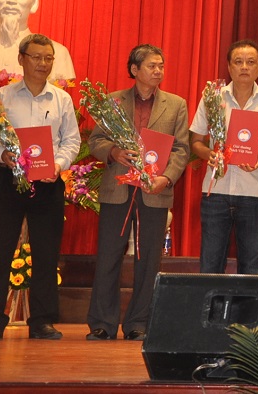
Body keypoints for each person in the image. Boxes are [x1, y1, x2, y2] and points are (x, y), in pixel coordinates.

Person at [0, 34, 81, 340]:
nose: (42, 63)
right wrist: (2, 154)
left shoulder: (61, 99)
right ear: (21, 59)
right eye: (36, 57)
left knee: (46, 254)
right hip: (7, 180)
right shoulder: (1, 96)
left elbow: (71, 141)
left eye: (48, 58)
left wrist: (58, 165)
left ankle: (42, 321)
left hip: (48, 184)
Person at [85, 44, 190, 341]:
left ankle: (139, 323)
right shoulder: (113, 101)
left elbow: (182, 149)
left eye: (161, 66)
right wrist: (113, 152)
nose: (158, 71)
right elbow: (95, 141)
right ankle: (102, 323)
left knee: (149, 260)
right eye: (152, 66)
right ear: (134, 69)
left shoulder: (176, 104)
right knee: (108, 257)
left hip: (154, 191)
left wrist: (166, 178)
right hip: (118, 188)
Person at [190, 39, 258, 275]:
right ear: (229, 66)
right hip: (216, 191)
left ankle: (246, 303)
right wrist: (210, 154)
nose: (244, 67)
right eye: (238, 62)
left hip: (254, 193)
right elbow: (195, 141)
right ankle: (211, 302)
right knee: (210, 265)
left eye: (250, 62)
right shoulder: (213, 97)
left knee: (250, 267)